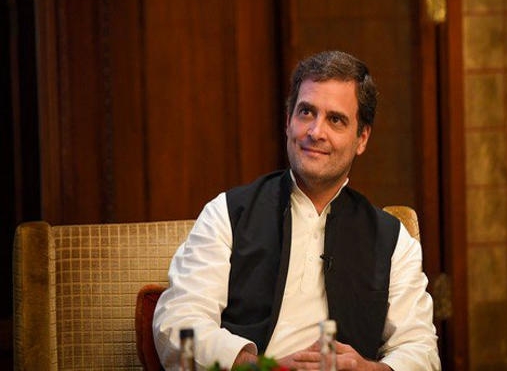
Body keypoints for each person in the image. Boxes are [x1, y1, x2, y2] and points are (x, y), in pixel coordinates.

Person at [153, 50, 441, 371]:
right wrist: (263, 367)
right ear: (288, 122)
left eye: (335, 120)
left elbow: (421, 350)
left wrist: (368, 369)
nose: (315, 132)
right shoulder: (227, 214)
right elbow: (178, 324)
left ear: (362, 138)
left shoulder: (392, 240)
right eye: (306, 112)